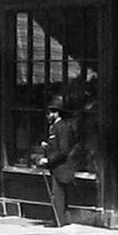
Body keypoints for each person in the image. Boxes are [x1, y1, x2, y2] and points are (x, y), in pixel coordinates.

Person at [39, 95, 76, 227]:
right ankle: (63, 219)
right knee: (59, 194)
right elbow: (57, 146)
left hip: (61, 166)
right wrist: (47, 146)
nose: (48, 115)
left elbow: (63, 150)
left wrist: (47, 160)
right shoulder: (54, 127)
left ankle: (58, 220)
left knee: (58, 194)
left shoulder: (61, 127)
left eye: (50, 113)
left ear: (57, 113)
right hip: (57, 166)